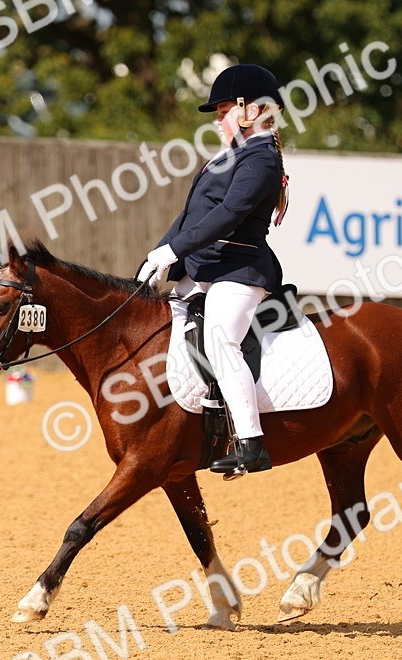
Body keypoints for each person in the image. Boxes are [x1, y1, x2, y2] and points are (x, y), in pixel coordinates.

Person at [137, 63, 290, 477]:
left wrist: (173, 251)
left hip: (239, 271)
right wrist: (156, 256)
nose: (219, 121)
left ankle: (251, 444)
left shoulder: (261, 158)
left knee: (222, 340)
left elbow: (228, 214)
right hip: (206, 268)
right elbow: (192, 216)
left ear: (251, 110)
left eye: (223, 111)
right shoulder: (229, 156)